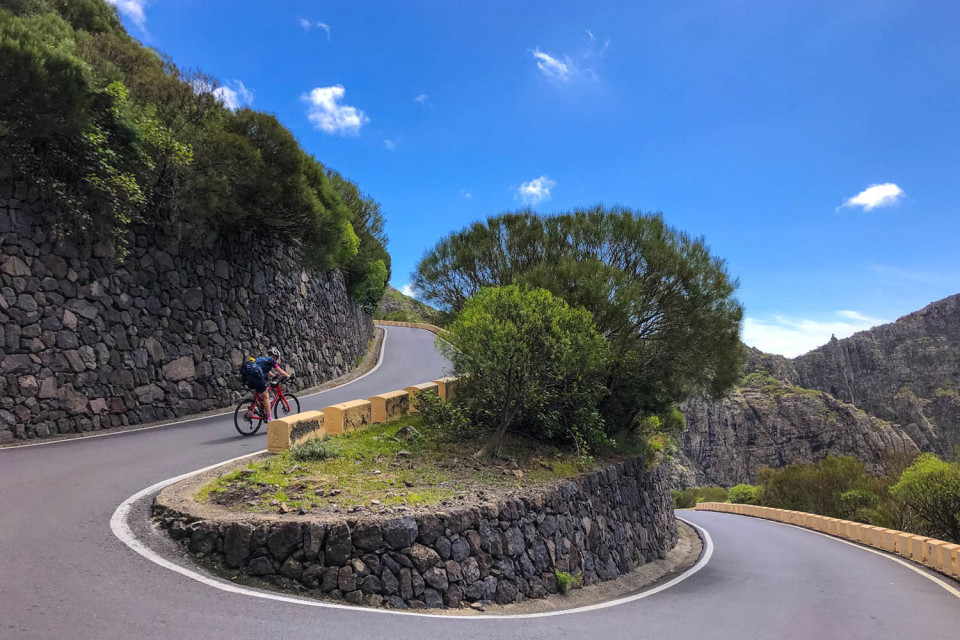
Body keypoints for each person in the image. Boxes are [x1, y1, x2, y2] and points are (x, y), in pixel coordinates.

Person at [242, 347, 292, 423]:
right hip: (256, 375)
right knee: (266, 395)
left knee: (258, 392)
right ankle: (269, 418)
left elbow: (267, 372)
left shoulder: (262, 359)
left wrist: (274, 376)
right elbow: (280, 371)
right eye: (276, 359)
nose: (276, 360)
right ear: (275, 357)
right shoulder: (271, 360)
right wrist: (289, 376)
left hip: (247, 375)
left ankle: (255, 407)